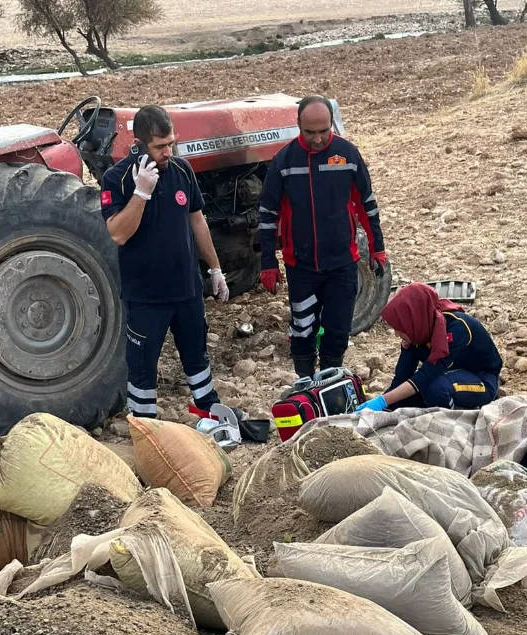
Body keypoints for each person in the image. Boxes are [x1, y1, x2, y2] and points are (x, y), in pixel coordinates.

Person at [100, 104, 228, 419]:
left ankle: (207, 410)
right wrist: (141, 193)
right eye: (160, 146)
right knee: (143, 368)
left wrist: (215, 269)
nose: (167, 151)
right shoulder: (116, 180)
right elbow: (118, 234)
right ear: (140, 145)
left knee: (197, 358)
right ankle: (144, 425)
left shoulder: (182, 170)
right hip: (146, 297)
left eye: (171, 143)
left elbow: (197, 222)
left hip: (187, 290)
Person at [258, 94, 387, 378]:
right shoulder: (283, 161)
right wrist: (268, 262)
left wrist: (378, 247)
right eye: (309, 132)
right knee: (302, 330)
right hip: (301, 267)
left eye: (323, 131)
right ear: (298, 125)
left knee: (338, 330)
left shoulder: (348, 155)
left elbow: (367, 204)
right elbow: (267, 215)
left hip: (342, 264)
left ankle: (329, 380)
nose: (317, 139)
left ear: (332, 124)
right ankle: (305, 382)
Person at [356, 283, 502, 413]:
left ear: (413, 319)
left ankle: (452, 421)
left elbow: (427, 374)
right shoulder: (417, 332)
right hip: (445, 375)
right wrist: (382, 408)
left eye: (399, 328)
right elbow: (402, 377)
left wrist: (383, 401)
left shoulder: (457, 328)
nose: (396, 334)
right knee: (404, 400)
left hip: (481, 379)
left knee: (435, 389)